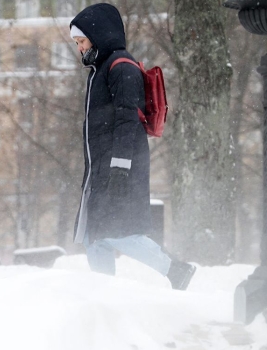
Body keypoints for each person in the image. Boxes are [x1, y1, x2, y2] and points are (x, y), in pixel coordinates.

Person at [69, 3, 195, 290]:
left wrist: (120, 167)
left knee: (116, 232)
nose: (79, 49)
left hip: (119, 167)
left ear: (98, 35)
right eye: (77, 43)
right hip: (102, 168)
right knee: (94, 235)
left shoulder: (121, 67)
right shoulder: (100, 70)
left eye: (82, 41)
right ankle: (105, 295)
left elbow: (128, 120)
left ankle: (176, 270)